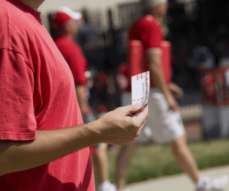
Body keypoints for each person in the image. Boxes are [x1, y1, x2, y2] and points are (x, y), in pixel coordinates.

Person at [0, 1, 148, 191]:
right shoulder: (9, 23)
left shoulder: (24, 19)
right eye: (74, 23)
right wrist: (96, 131)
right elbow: (5, 154)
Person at [115, 0, 229, 191]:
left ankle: (117, 188)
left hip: (138, 86)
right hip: (150, 90)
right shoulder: (151, 25)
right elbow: (154, 63)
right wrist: (167, 94)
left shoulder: (137, 24)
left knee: (129, 142)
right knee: (177, 138)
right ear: (158, 5)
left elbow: (143, 64)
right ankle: (201, 183)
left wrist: (166, 84)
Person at [51, 7, 116, 191]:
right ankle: (104, 185)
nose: (76, 26)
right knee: (99, 143)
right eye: (74, 22)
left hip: (62, 105)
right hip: (77, 104)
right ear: (67, 26)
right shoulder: (70, 47)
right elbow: (79, 83)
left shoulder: (54, 43)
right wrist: (85, 109)